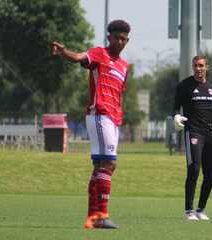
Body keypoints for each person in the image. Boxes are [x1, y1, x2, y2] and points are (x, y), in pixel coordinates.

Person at [52, 19, 131, 229]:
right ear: (109, 38)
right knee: (109, 164)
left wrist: (120, 117)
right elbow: (79, 57)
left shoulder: (124, 66)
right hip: (100, 114)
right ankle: (102, 215)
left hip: (113, 119)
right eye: (117, 38)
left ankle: (92, 217)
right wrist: (64, 52)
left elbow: (120, 94)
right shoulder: (99, 54)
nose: (121, 42)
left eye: (124, 39)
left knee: (100, 166)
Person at [173, 55, 212, 221]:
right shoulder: (185, 85)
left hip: (208, 134)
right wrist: (176, 117)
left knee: (210, 173)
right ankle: (189, 211)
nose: (199, 69)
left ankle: (200, 209)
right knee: (194, 168)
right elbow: (175, 107)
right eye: (196, 66)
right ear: (193, 67)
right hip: (193, 132)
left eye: (201, 66)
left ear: (207, 67)